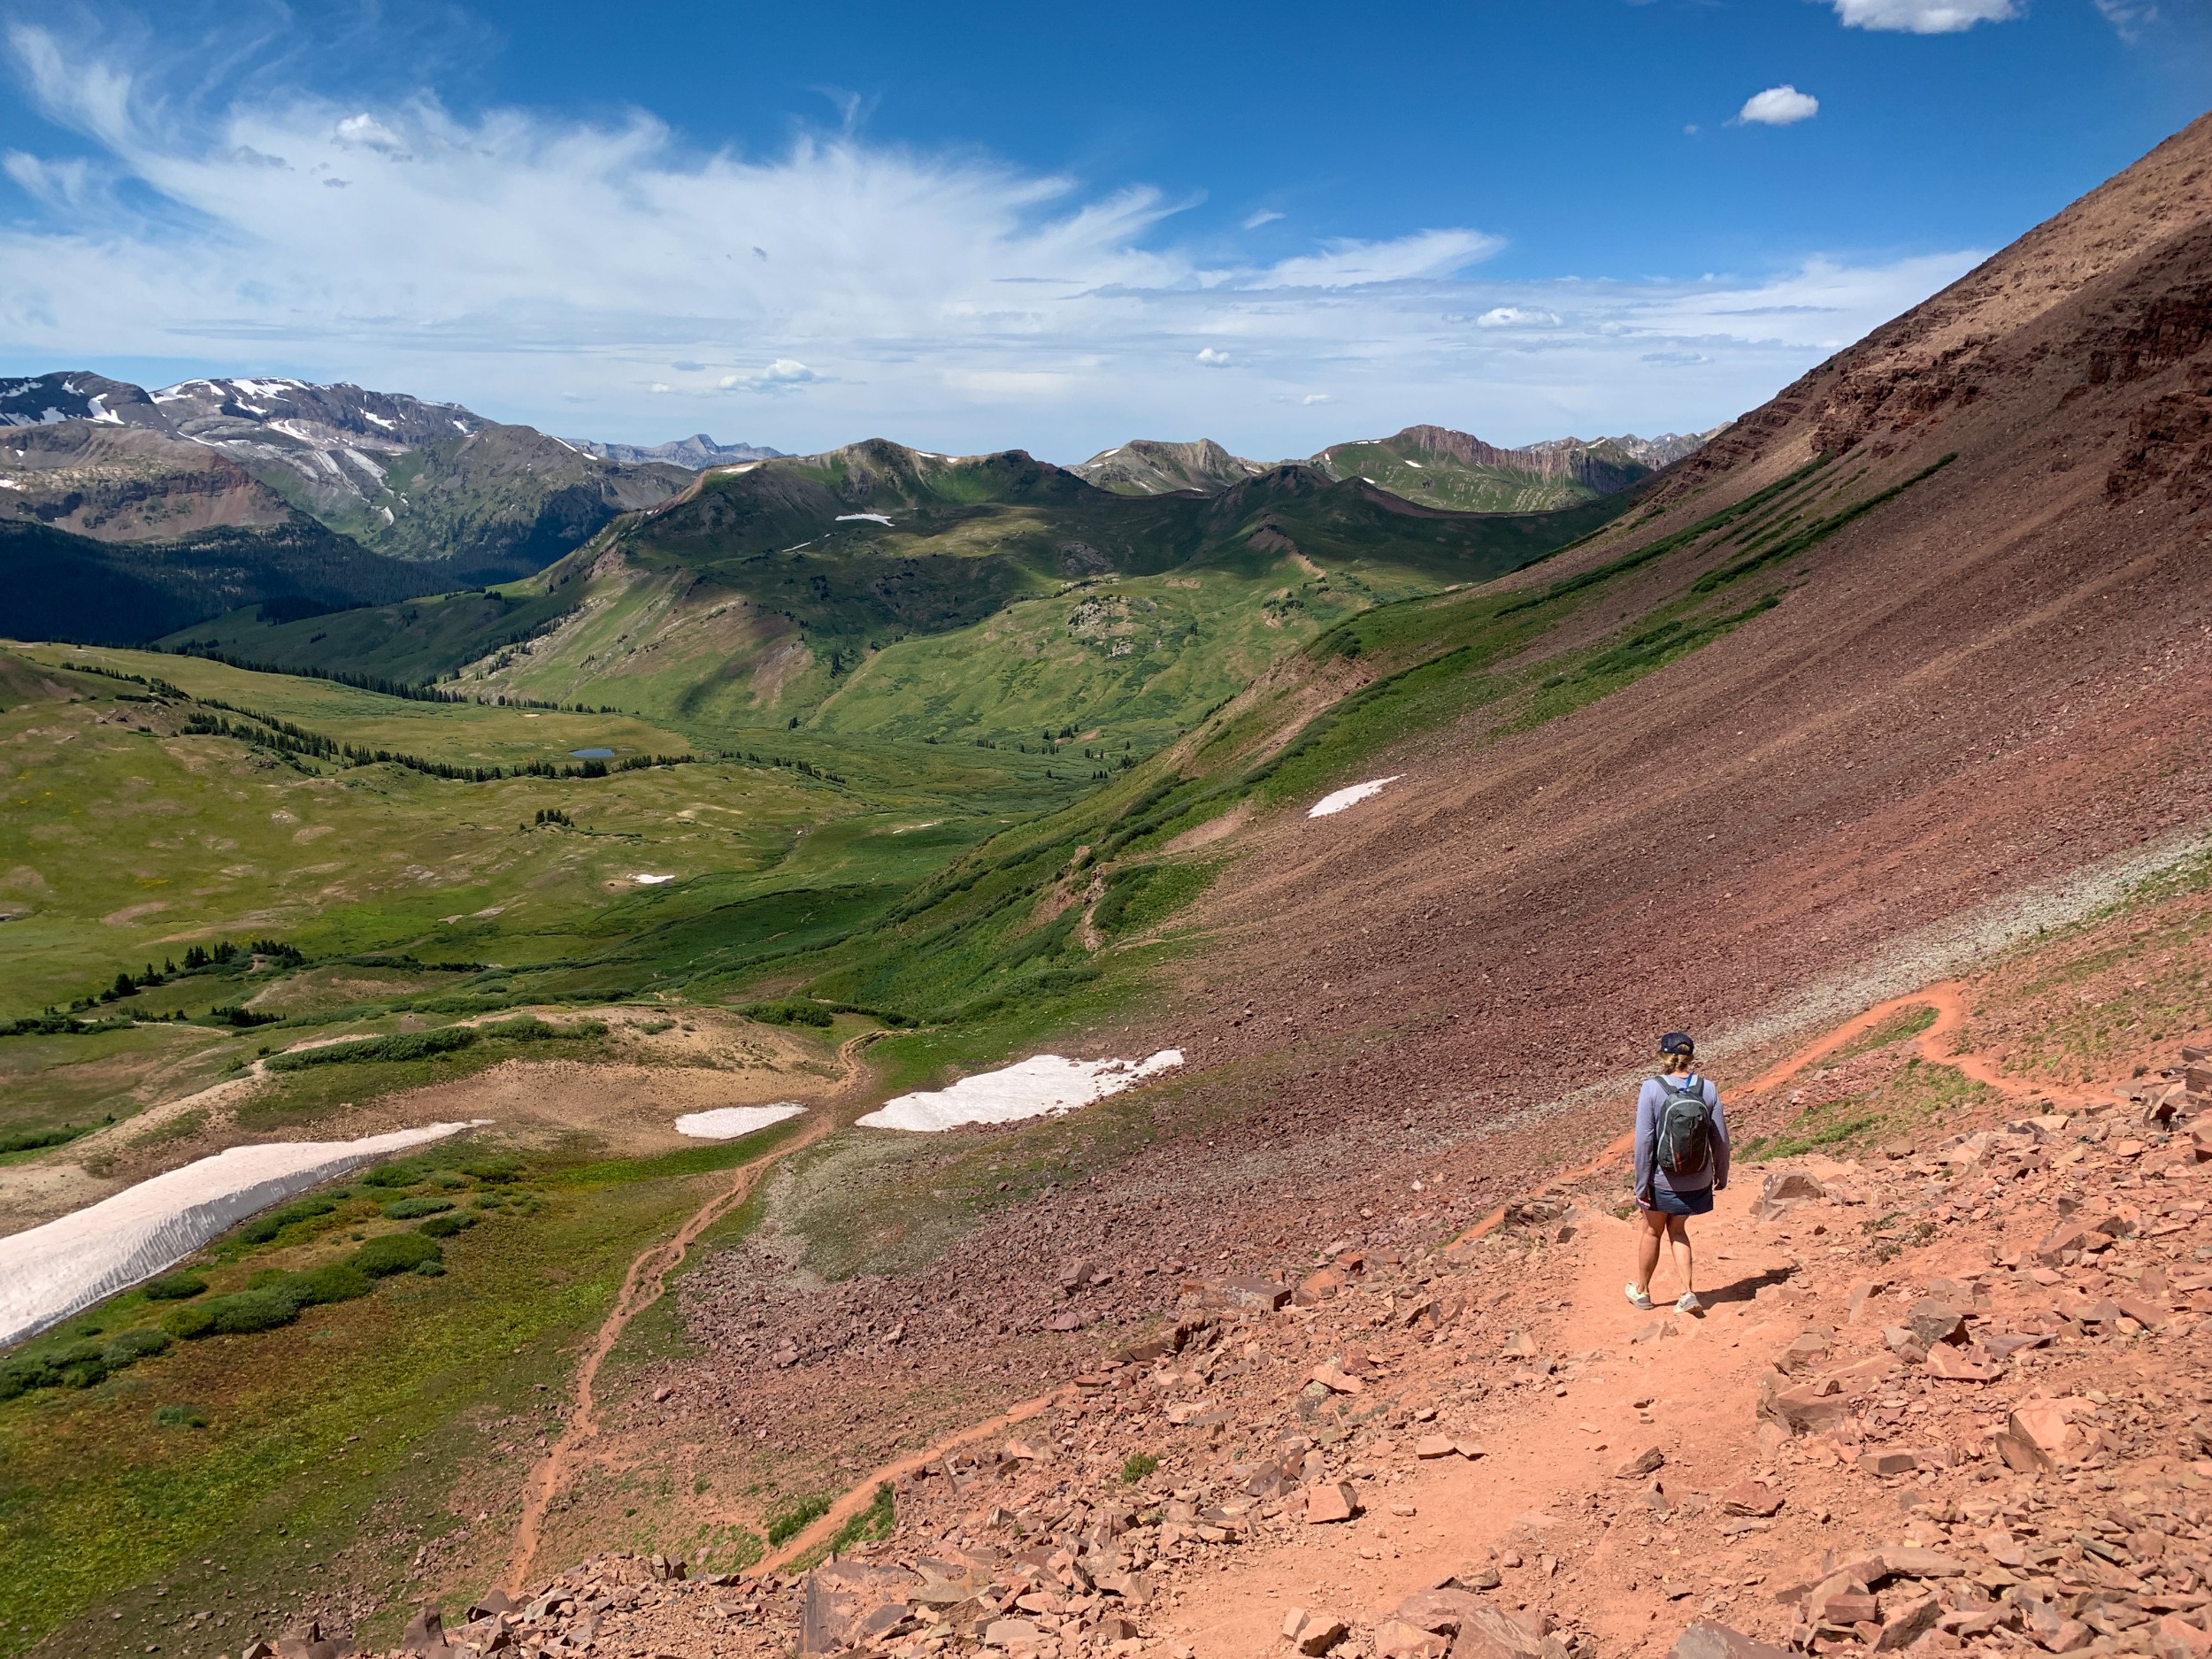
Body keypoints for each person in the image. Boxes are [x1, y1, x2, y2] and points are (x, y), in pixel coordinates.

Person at [1625, 1030, 1728, 1314]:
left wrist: (1642, 1184)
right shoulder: (1708, 1088)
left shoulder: (1652, 1088)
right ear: (1690, 1057)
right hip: (1697, 1178)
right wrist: (1721, 1173)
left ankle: (1643, 1292)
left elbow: (1645, 1140)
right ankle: (1687, 1293)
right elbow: (1719, 1138)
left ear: (1664, 1057)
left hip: (1662, 1180)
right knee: (1679, 1230)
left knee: (1652, 1230)